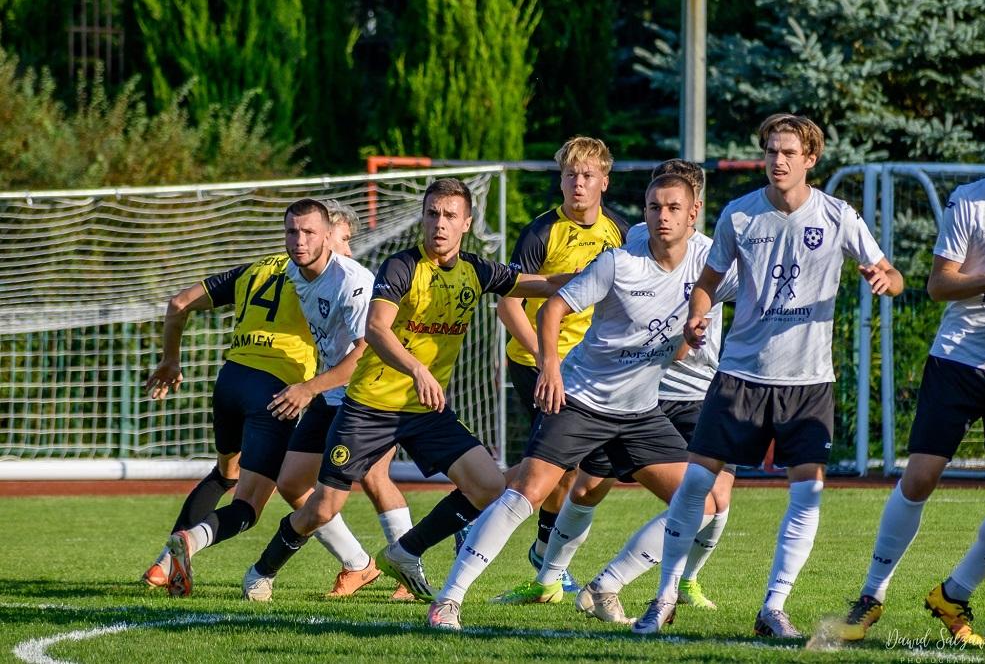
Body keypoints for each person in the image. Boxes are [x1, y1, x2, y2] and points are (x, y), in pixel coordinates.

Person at [631, 113, 903, 639]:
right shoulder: (739, 216)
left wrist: (882, 279)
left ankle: (773, 607)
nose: (777, 161)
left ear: (810, 159)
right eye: (771, 152)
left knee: (806, 495)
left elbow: (892, 274)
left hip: (808, 381)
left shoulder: (838, 216)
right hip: (741, 376)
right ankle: (663, 597)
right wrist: (697, 315)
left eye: (788, 153)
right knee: (696, 483)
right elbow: (706, 284)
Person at [241, 178, 572, 604]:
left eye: (450, 215)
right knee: (323, 508)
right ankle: (261, 571)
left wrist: (603, 274)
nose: (440, 223)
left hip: (423, 410)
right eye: (432, 213)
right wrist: (417, 368)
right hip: (370, 407)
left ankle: (406, 549)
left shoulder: (476, 270)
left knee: (488, 485)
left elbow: (542, 284)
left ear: (467, 223)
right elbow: (376, 330)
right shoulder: (401, 267)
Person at [428, 173, 731, 631]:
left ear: (693, 214)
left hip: (639, 411)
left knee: (703, 503)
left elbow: (747, 297)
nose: (661, 217)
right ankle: (448, 600)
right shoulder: (619, 263)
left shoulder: (706, 268)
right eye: (653, 207)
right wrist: (549, 366)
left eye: (672, 208)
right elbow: (553, 309)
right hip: (583, 400)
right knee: (529, 490)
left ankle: (604, 586)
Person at [155, 199, 407, 598]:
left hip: (314, 387)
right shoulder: (298, 273)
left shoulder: (339, 278)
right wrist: (311, 386)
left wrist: (171, 359)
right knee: (274, 493)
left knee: (239, 476)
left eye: (317, 235)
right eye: (295, 232)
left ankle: (394, 568)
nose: (345, 247)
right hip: (298, 390)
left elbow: (363, 352)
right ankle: (370, 565)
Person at [837, 133, 985, 646]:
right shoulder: (971, 200)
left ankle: (953, 593)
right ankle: (871, 596)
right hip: (960, 359)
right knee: (922, 478)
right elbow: (938, 285)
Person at [493, 136, 630, 592]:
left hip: (586, 367)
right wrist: (544, 358)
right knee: (555, 463)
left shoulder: (621, 232)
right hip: (535, 361)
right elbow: (507, 306)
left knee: (568, 467)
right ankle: (528, 545)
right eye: (570, 174)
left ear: (604, 182)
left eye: (588, 175)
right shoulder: (540, 232)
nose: (577, 182)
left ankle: (476, 505)